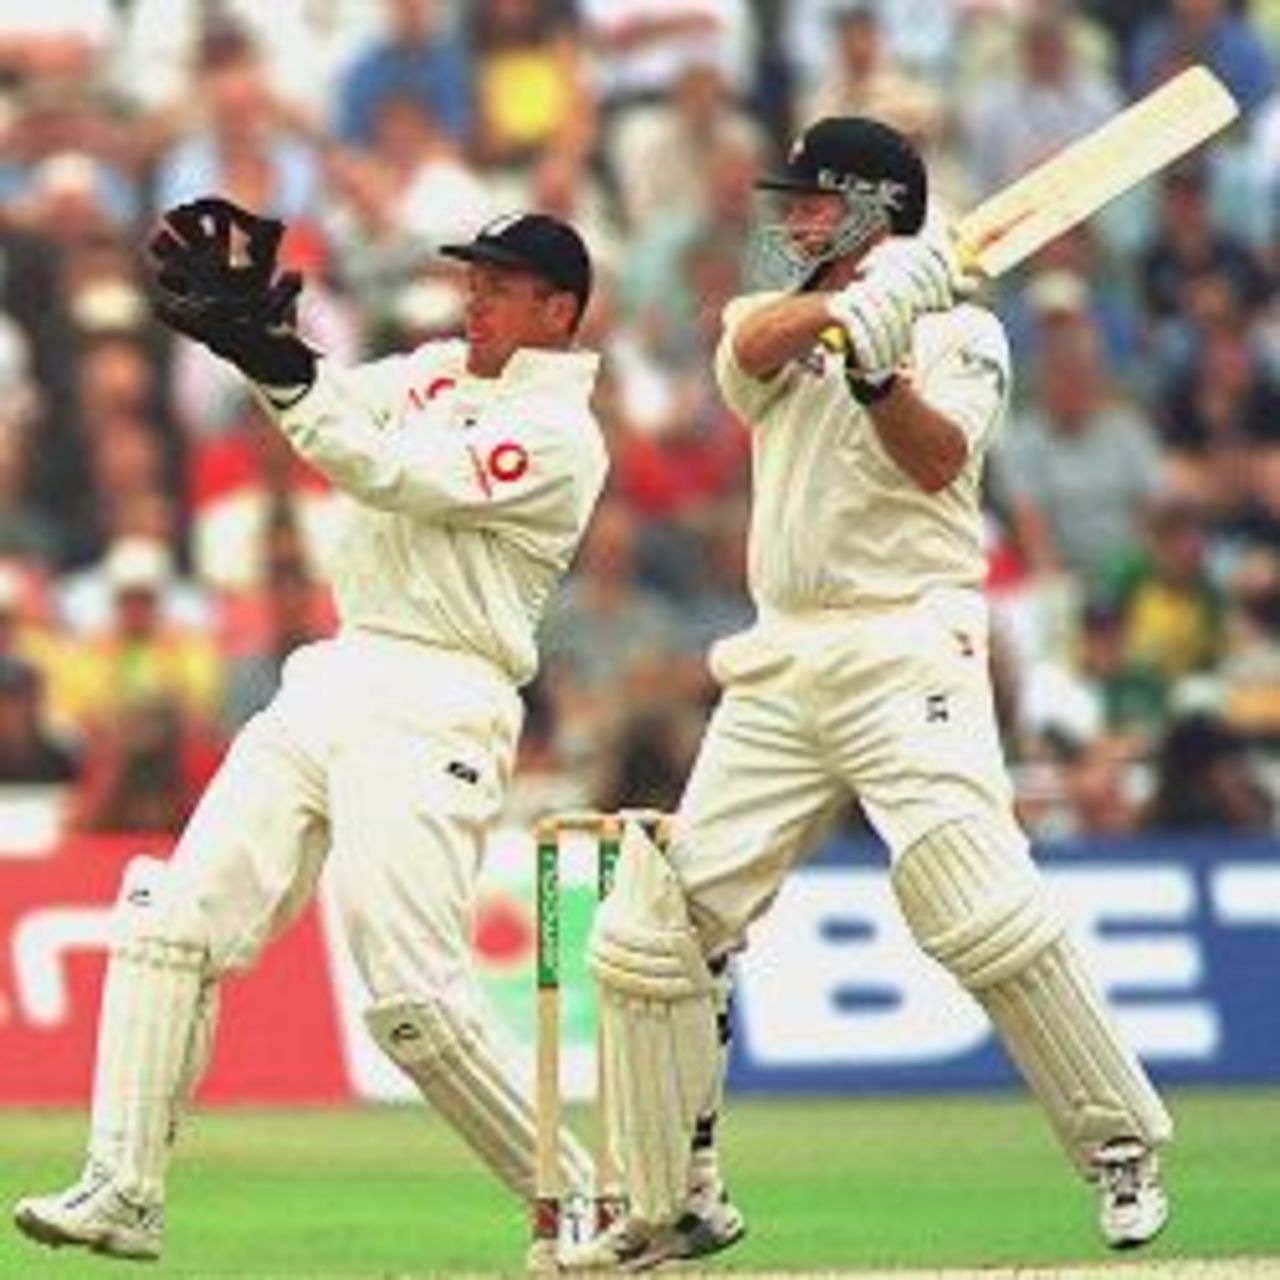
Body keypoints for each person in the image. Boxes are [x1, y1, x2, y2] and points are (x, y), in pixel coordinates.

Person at [567, 117, 1173, 1270]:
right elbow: (753, 349)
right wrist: (856, 309)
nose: (784, 221)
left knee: (973, 900)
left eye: (806, 203)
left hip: (909, 641)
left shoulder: (966, 329)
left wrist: (882, 363)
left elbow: (937, 459)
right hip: (781, 655)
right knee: (654, 929)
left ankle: (1120, 1145)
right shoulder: (768, 312)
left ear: (863, 206)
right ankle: (670, 1199)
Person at [13, 199, 609, 1263]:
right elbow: (330, 399)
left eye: (500, 285)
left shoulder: (559, 435)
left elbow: (388, 470)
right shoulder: (432, 368)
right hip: (336, 670)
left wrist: (275, 363)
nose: (472, 297)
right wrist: (269, 344)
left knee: (412, 1003)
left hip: (440, 695)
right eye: (471, 277)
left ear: (558, 309)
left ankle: (584, 1201)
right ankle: (123, 1187)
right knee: (170, 921)